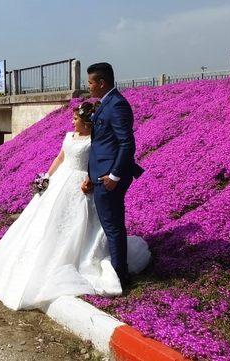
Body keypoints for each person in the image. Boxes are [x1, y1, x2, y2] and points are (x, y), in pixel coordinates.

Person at [0, 102, 150, 311]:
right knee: (44, 220)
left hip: (80, 185)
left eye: (75, 119)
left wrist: (90, 179)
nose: (72, 122)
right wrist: (47, 176)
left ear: (86, 122)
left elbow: (96, 162)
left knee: (76, 224)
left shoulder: (95, 140)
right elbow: (60, 157)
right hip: (60, 180)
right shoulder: (69, 137)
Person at [81, 63, 145, 288]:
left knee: (113, 225)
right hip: (99, 174)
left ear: (101, 83)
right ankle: (119, 269)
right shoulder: (104, 104)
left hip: (109, 178)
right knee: (110, 224)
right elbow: (101, 144)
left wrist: (114, 176)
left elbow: (127, 144)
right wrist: (90, 174)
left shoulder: (116, 105)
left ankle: (120, 275)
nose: (87, 86)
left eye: (90, 82)